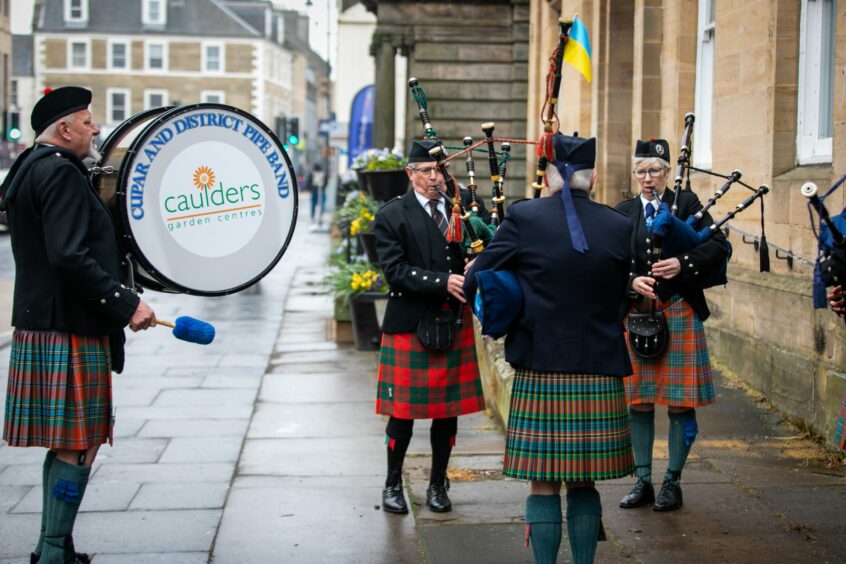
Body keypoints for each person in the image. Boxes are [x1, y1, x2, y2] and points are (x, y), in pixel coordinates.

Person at [0, 87, 156, 564]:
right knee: (80, 442)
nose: (95, 130)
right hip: (68, 324)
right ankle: (51, 553)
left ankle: (55, 546)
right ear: (63, 129)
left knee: (68, 442)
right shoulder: (61, 174)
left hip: (43, 321)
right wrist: (125, 303)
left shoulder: (29, 167)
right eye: (87, 122)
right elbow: (69, 256)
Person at [465, 133, 634, 564]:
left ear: (550, 177)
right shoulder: (620, 226)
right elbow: (624, 297)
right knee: (584, 481)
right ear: (592, 178)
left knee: (542, 481)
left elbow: (475, 283)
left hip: (541, 365)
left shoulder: (524, 219)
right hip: (599, 365)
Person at [614, 138, 729, 512]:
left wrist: (683, 264)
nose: (648, 179)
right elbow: (607, 261)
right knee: (639, 401)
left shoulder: (688, 205)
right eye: (641, 171)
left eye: (655, 171)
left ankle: (673, 482)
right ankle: (643, 479)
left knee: (679, 404)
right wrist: (631, 280)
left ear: (667, 172)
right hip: (636, 314)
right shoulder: (623, 211)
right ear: (635, 174)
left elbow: (718, 247)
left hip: (677, 308)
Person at [373, 139, 487, 515]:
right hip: (410, 323)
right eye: (426, 171)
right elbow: (395, 272)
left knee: (447, 411)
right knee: (402, 414)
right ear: (410, 173)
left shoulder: (465, 209)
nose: (435, 177)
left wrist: (479, 265)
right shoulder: (392, 215)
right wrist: (443, 281)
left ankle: (438, 484)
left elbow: (489, 246)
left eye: (440, 170)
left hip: (453, 323)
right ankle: (392, 484)